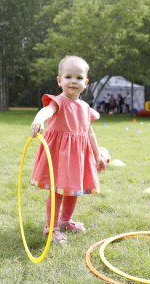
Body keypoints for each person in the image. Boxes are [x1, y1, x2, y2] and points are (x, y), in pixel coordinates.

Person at [30, 56, 106, 245]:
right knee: (57, 191)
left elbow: (90, 132)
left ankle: (65, 221)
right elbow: (46, 111)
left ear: (86, 83)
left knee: (73, 191)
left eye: (79, 78)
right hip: (60, 155)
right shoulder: (58, 102)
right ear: (59, 81)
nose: (74, 81)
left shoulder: (85, 107)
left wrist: (97, 155)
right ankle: (51, 227)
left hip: (78, 157)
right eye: (68, 77)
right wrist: (39, 120)